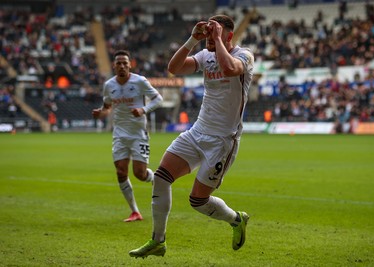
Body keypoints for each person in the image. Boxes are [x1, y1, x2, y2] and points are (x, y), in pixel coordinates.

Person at [129, 14, 254, 258]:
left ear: (229, 35)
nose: (209, 37)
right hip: (197, 132)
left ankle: (236, 219)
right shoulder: (205, 55)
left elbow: (229, 68)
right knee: (162, 178)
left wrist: (217, 39)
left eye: (214, 32)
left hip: (222, 141)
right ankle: (158, 241)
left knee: (198, 201)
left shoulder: (244, 56)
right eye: (207, 32)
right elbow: (173, 69)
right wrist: (192, 39)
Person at [92, 50, 163, 222]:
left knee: (140, 174)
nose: (122, 66)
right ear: (114, 66)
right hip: (119, 134)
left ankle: (159, 181)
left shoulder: (139, 81)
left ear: (130, 65)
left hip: (138, 134)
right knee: (121, 171)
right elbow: (107, 106)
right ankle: (135, 212)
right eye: (119, 63)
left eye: (125, 63)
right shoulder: (109, 85)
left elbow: (158, 99)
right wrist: (101, 113)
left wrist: (143, 110)